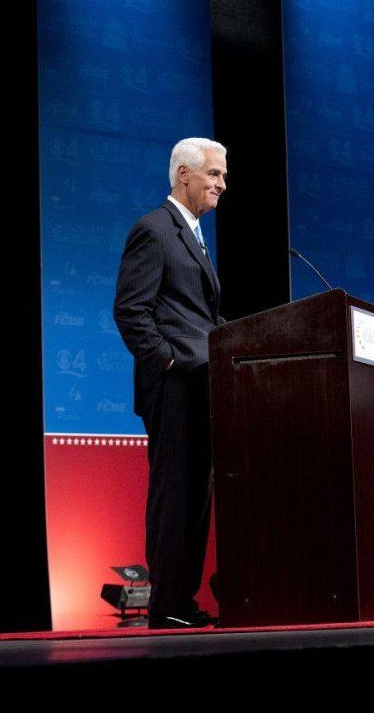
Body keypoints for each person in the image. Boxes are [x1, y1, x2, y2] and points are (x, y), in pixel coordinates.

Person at [114, 137, 227, 628]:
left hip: (204, 384)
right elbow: (131, 311)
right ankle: (165, 605)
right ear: (185, 173)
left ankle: (183, 600)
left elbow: (200, 316)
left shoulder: (194, 235)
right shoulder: (154, 230)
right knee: (173, 495)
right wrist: (168, 364)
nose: (222, 184)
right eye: (215, 175)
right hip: (176, 386)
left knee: (196, 498)